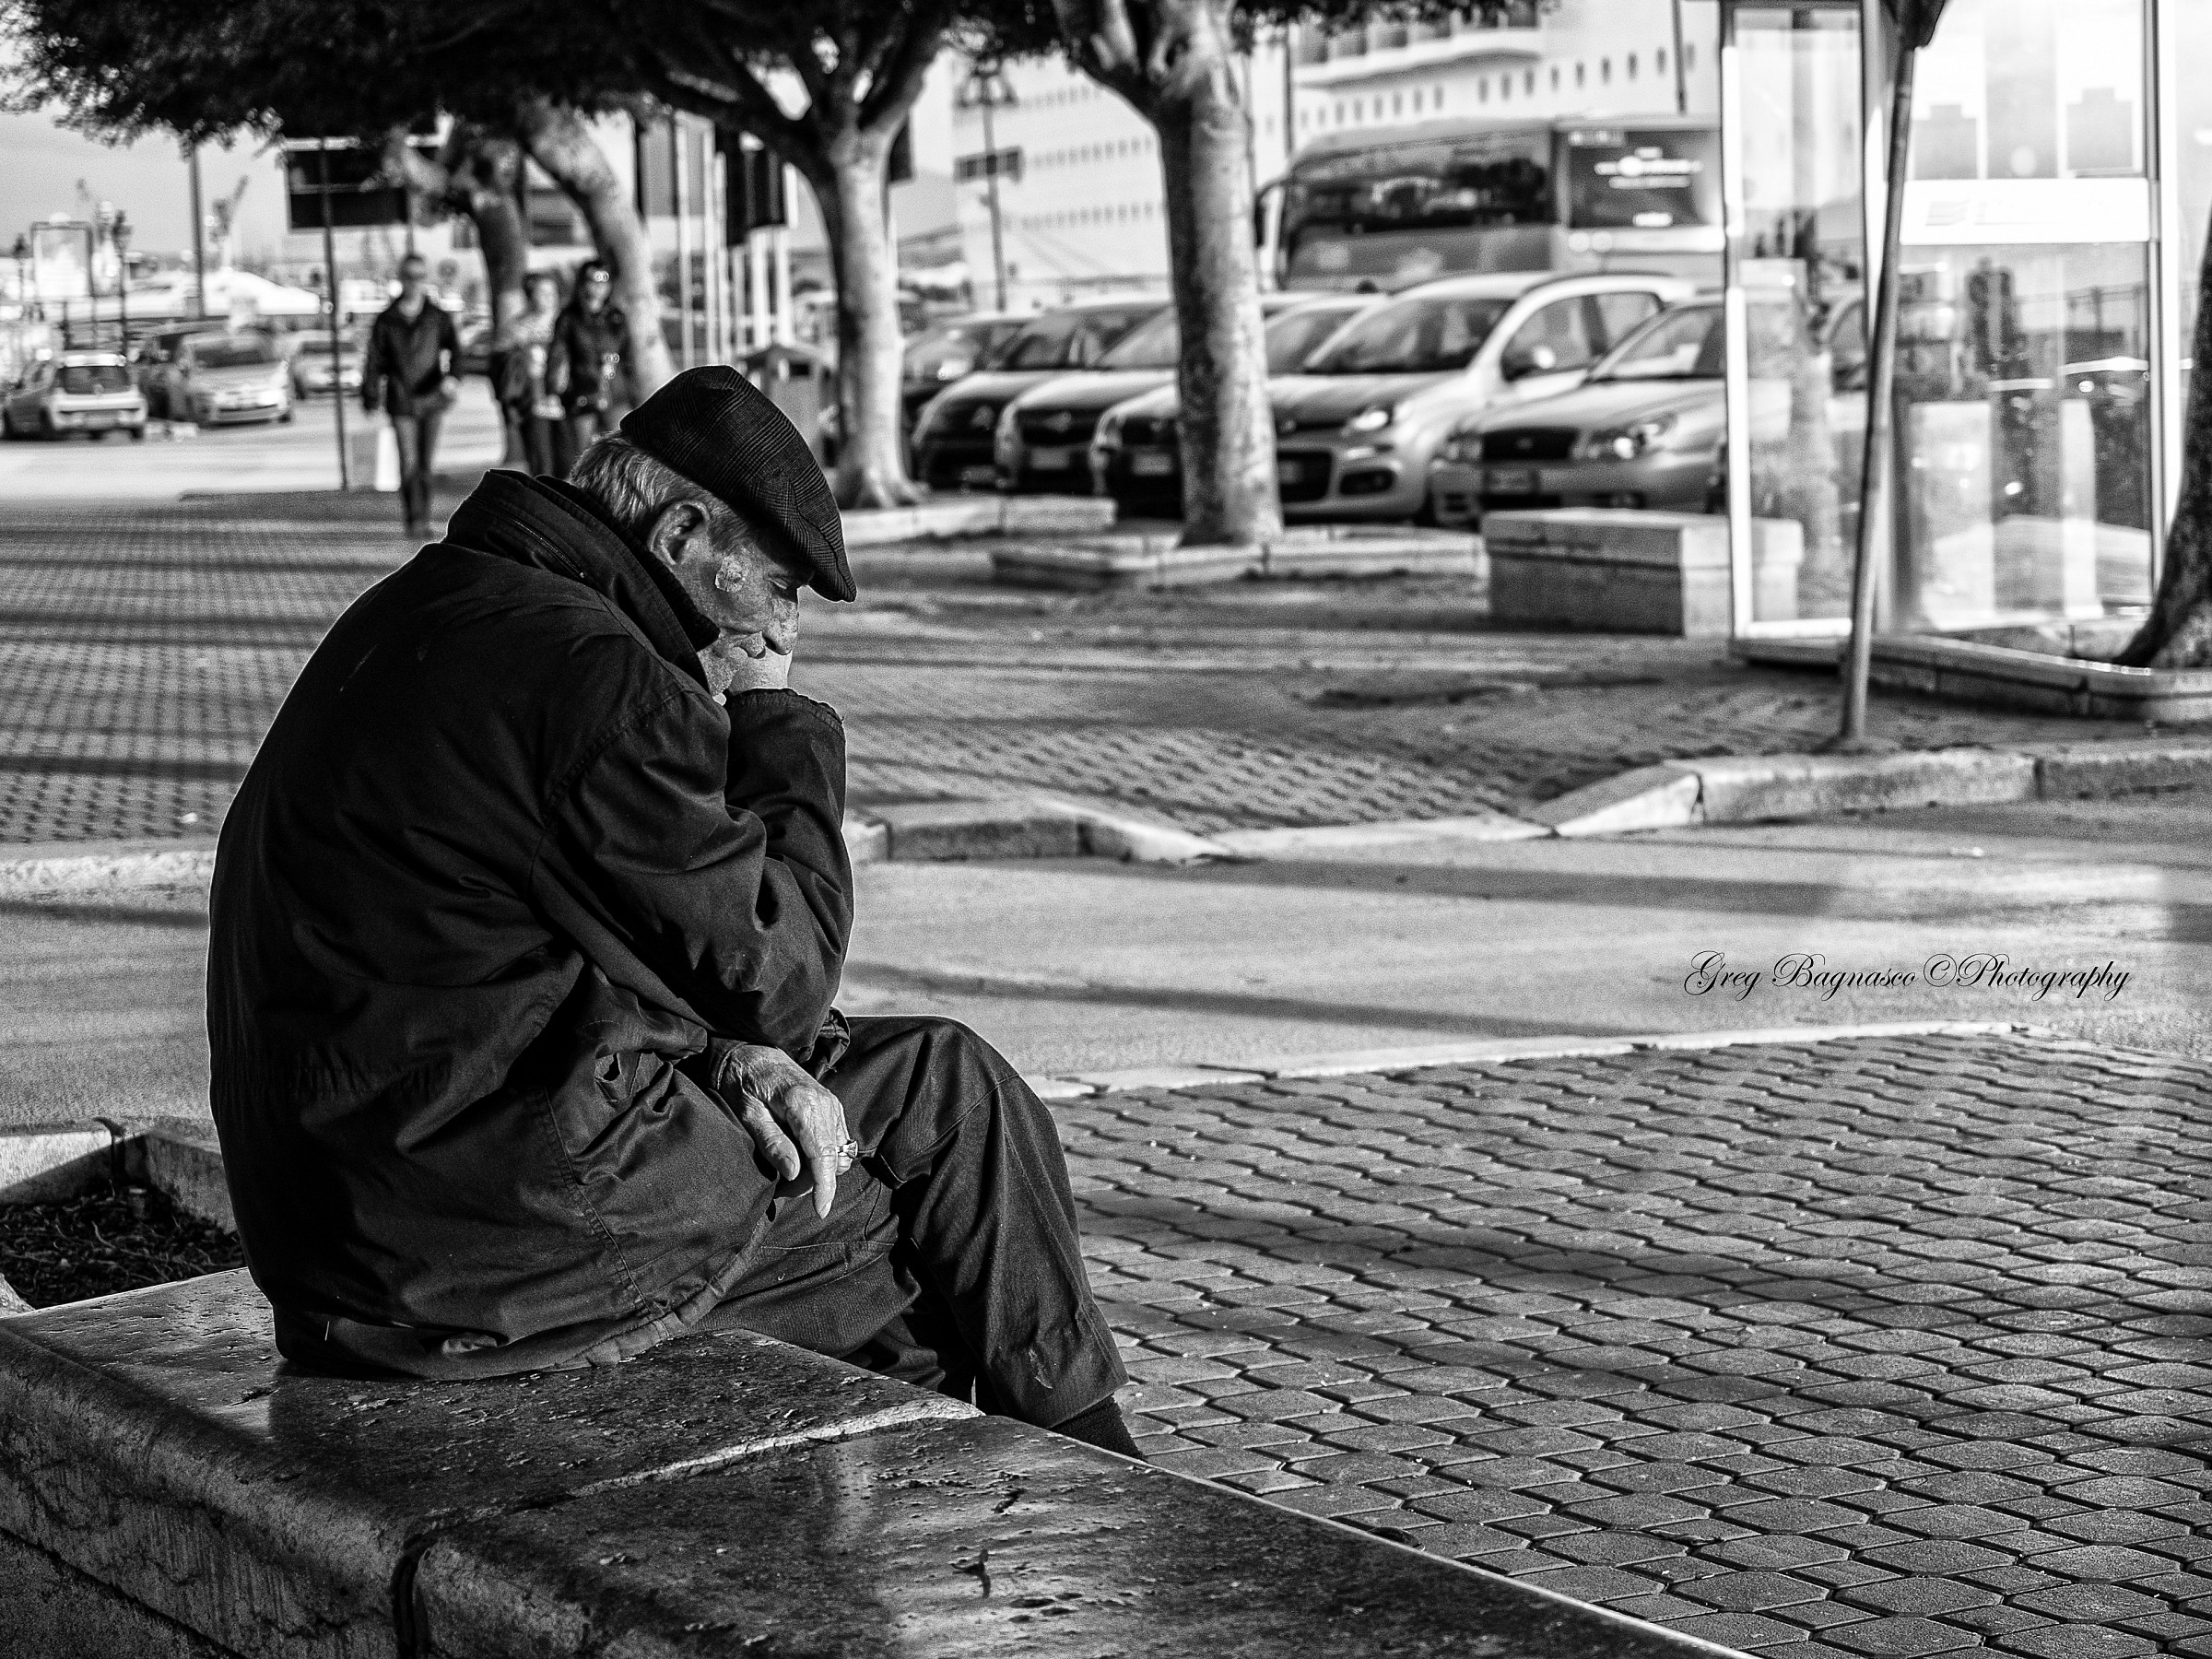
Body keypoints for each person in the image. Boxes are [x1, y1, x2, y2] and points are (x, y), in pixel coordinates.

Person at [205, 368, 1139, 1459]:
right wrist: (775, 717)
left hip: (357, 1225)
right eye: (778, 587)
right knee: (933, 1142)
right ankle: (1110, 1490)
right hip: (478, 1247)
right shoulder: (597, 679)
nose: (783, 626)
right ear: (686, 532)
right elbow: (784, 977)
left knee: (899, 1134)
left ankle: (971, 1494)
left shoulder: (439, 602)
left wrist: (730, 1061)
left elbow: (535, 937)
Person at [360, 253, 462, 535]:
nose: (415, 282)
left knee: (426, 465)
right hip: (401, 400)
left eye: (420, 276)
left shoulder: (437, 317)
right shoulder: (387, 320)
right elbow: (373, 361)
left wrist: (453, 377)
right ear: (401, 279)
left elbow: (456, 350)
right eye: (410, 276)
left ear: (425, 279)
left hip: (432, 399)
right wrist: (370, 395)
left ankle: (425, 518)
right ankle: (413, 519)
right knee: (408, 464)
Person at [547, 259, 629, 477]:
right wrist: (556, 389)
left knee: (621, 452)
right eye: (592, 281)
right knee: (582, 456)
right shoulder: (569, 318)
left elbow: (626, 355)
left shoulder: (617, 317)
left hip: (615, 393)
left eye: (604, 281)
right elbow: (558, 356)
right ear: (582, 284)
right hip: (581, 393)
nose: (598, 287)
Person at [494, 270, 565, 477]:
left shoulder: (566, 324)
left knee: (571, 463)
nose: (549, 298)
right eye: (542, 292)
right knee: (542, 465)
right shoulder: (517, 328)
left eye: (553, 292)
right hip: (534, 403)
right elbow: (503, 367)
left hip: (566, 402)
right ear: (531, 295)